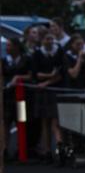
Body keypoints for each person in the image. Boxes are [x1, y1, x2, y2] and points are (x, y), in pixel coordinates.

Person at [31, 30, 64, 159]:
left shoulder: (59, 52)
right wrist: (49, 76)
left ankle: (59, 147)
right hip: (43, 92)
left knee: (55, 121)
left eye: (51, 38)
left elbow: (61, 73)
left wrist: (47, 81)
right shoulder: (37, 53)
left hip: (54, 90)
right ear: (42, 40)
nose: (49, 41)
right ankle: (46, 151)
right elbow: (35, 73)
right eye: (47, 39)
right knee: (44, 121)